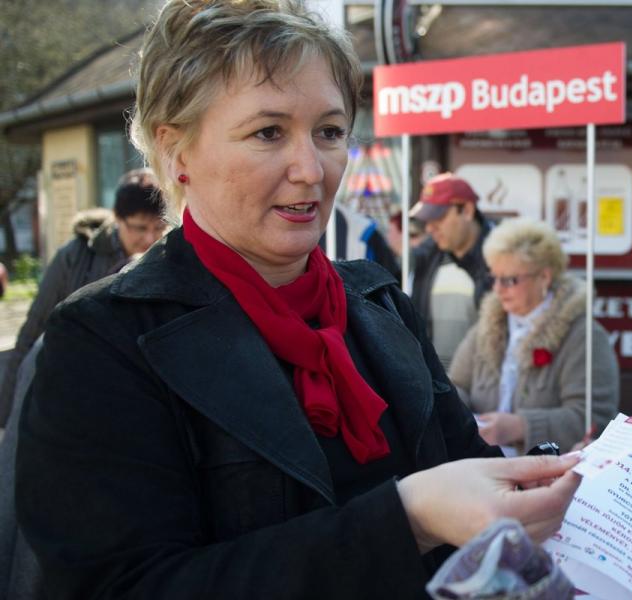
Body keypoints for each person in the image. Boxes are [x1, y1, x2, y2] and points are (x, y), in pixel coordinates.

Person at [14, 2, 579, 598]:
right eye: (268, 132)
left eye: (330, 132)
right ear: (177, 152)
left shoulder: (381, 305)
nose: (311, 169)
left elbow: (472, 471)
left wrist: (558, 476)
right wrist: (404, 518)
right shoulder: (104, 340)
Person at [0, 169, 167, 427]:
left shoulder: (167, 260)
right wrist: (8, 409)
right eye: (139, 228)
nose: (149, 238)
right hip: (72, 392)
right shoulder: (75, 256)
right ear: (118, 219)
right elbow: (33, 330)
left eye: (158, 228)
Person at [449, 218, 619, 455]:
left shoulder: (584, 336)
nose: (497, 289)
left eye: (509, 280)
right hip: (484, 468)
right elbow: (456, 386)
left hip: (551, 477)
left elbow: (593, 418)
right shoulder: (487, 326)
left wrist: (520, 427)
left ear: (544, 277)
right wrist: (460, 414)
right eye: (493, 278)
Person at [410, 173, 495, 361]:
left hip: (483, 385)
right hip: (436, 385)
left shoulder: (500, 257)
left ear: (467, 210)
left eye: (437, 217)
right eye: (426, 220)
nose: (430, 228)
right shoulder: (426, 257)